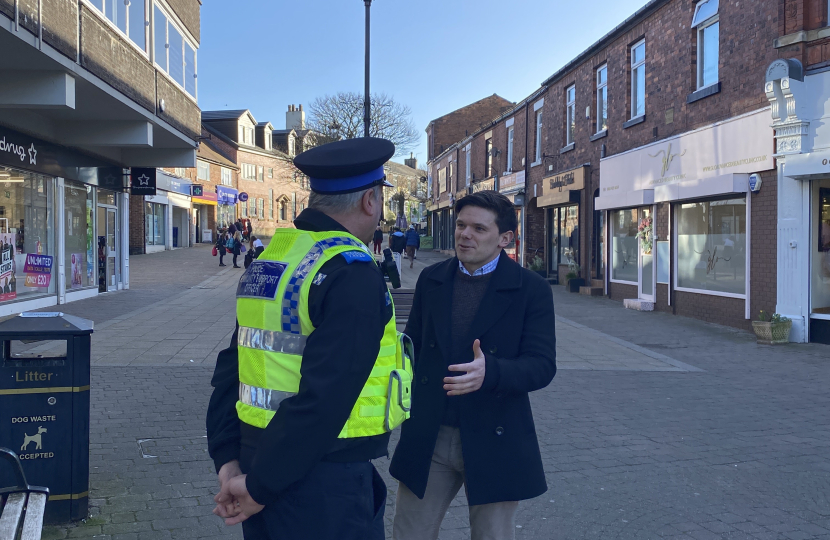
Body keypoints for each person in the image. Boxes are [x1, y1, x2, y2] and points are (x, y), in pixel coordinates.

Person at [207, 137, 413, 540]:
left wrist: (228, 460)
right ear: (370, 201)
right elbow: (326, 397)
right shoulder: (350, 270)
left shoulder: (274, 258)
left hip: (256, 461)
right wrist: (259, 486)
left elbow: (233, 365)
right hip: (321, 479)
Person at [390, 191, 557, 540]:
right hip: (431, 432)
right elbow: (413, 349)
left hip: (494, 432)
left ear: (505, 238)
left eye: (479, 228)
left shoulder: (531, 289)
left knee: (492, 535)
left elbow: (542, 365)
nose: (465, 234)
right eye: (461, 225)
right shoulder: (432, 278)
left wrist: (491, 372)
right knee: (410, 532)